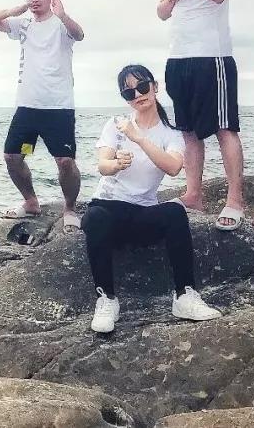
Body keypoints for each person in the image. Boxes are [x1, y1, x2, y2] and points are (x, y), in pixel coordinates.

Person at [82, 64, 222, 333]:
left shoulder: (171, 133)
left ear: (155, 87)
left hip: (141, 212)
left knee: (175, 212)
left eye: (142, 87)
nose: (137, 94)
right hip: (108, 208)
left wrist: (139, 138)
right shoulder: (116, 125)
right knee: (95, 217)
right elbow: (102, 165)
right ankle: (107, 299)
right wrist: (116, 164)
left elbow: (173, 167)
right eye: (129, 92)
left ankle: (184, 296)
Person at [155, 0, 247, 231]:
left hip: (213, 56)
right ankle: (193, 194)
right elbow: (162, 13)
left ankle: (235, 200)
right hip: (178, 57)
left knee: (224, 128)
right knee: (188, 131)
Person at [0, 0, 85, 231]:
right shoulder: (23, 24)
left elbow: (79, 34)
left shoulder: (61, 24)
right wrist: (14, 10)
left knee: (64, 161)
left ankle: (70, 208)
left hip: (58, 108)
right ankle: (30, 202)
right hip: (28, 107)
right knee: (14, 156)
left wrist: (63, 15)